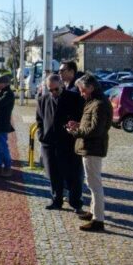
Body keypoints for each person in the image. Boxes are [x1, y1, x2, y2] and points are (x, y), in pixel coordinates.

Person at [66, 74, 112, 232]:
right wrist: (78, 124)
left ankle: (98, 220)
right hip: (90, 147)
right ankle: (93, 212)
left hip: (93, 147)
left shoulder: (99, 103)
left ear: (91, 88)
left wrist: (76, 131)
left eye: (82, 90)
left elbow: (95, 130)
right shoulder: (94, 101)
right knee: (92, 183)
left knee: (94, 184)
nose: (81, 93)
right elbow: (91, 124)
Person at [36, 74, 84, 211]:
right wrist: (41, 135)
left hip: (68, 143)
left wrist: (75, 130)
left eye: (56, 89)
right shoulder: (43, 99)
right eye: (50, 90)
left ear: (61, 85)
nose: (53, 93)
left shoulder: (74, 98)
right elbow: (39, 120)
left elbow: (81, 117)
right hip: (49, 144)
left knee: (73, 175)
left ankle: (76, 203)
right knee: (53, 174)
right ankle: (56, 200)